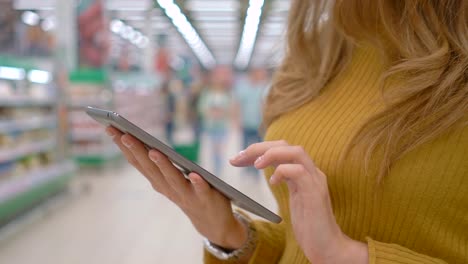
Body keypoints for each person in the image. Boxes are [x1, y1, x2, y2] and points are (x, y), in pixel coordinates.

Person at [105, 0, 467, 263]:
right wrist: (230, 235)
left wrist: (347, 255)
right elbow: (300, 241)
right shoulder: (318, 51)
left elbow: (329, 245)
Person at [197, 68, 233, 176]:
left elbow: (231, 108)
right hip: (211, 125)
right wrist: (210, 112)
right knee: (213, 149)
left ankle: (219, 169)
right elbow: (201, 107)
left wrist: (222, 113)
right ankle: (214, 169)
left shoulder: (227, 94)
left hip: (222, 125)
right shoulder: (206, 93)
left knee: (220, 149)